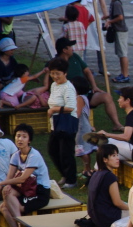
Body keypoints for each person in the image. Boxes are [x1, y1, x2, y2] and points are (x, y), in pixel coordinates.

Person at [52, 37, 124, 131]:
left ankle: (117, 124)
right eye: (70, 47)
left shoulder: (75, 57)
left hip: (85, 91)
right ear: (64, 50)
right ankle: (86, 126)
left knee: (106, 96)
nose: (72, 49)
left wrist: (94, 86)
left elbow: (87, 71)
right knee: (79, 100)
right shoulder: (56, 63)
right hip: (70, 95)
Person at [0, 124, 51, 227]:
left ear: (29, 140)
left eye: (24, 136)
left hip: (40, 192)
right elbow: (10, 176)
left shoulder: (34, 155)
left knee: (8, 206)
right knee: (5, 203)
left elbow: (22, 179)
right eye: (18, 136)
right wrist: (7, 186)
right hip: (27, 189)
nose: (20, 139)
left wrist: (2, 184)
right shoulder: (16, 155)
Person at [47, 57, 79, 189]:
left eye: (57, 73)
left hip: (66, 124)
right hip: (56, 123)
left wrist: (53, 109)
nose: (55, 76)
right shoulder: (54, 85)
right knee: (53, 150)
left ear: (65, 73)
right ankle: (64, 175)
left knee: (66, 153)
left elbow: (70, 107)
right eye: (52, 73)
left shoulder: (68, 87)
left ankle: (71, 180)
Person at [97, 87, 133, 161]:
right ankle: (97, 170)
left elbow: (126, 137)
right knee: (108, 156)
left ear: (127, 100)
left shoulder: (131, 116)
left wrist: (106, 134)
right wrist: (122, 128)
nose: (118, 100)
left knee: (107, 141)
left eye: (120, 98)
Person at [86, 144, 128, 227]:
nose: (117, 158)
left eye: (117, 155)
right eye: (113, 156)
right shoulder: (110, 176)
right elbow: (117, 202)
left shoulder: (96, 174)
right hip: (108, 218)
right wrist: (132, 208)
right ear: (105, 159)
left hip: (96, 217)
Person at [103, 0, 130, 83]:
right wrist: (107, 16)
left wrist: (110, 21)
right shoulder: (113, 3)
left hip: (120, 31)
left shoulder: (116, 3)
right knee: (120, 53)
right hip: (117, 30)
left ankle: (125, 74)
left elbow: (120, 17)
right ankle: (123, 73)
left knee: (123, 53)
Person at [70, 76, 96, 178]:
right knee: (83, 148)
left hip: (81, 128)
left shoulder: (79, 98)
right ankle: (86, 169)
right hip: (83, 127)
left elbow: (77, 113)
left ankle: (87, 170)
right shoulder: (82, 97)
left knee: (83, 149)